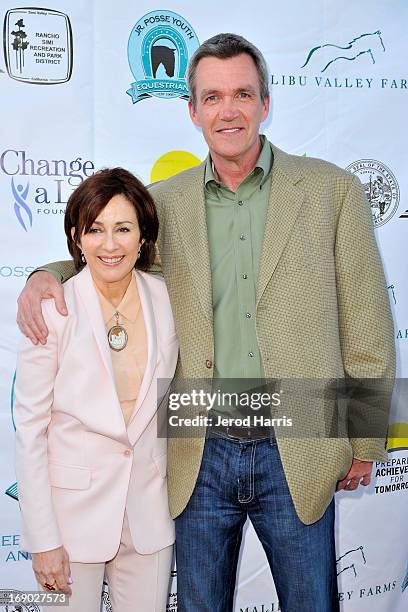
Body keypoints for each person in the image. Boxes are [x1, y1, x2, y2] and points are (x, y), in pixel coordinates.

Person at [17, 34, 395, 612]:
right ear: (192, 111)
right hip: (197, 452)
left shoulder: (332, 192)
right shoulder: (164, 202)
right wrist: (42, 274)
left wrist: (365, 439)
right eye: (212, 97)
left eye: (242, 93)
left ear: (266, 103)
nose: (228, 110)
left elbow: (367, 328)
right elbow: (108, 252)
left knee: (312, 602)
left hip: (298, 443)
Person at [14, 168, 178, 612]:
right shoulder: (53, 308)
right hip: (71, 520)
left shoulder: (168, 300)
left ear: (143, 236)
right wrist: (43, 538)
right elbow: (29, 427)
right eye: (95, 229)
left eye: (123, 229)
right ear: (76, 237)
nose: (110, 245)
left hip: (148, 512)